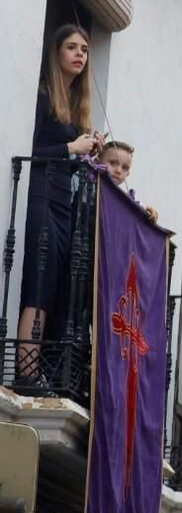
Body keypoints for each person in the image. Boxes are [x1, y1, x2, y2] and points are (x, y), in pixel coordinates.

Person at [19, 24, 102, 365]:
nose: (79, 53)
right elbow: (32, 148)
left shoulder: (73, 106)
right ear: (56, 54)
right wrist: (71, 147)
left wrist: (88, 153)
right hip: (41, 193)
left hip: (62, 203)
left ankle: (35, 363)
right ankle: (26, 366)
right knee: (38, 276)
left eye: (84, 49)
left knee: (53, 280)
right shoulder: (42, 96)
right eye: (71, 47)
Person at [100, 140, 158, 224]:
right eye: (112, 163)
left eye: (124, 168)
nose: (118, 171)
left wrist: (149, 215)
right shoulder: (88, 188)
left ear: (128, 174)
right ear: (97, 162)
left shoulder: (127, 200)